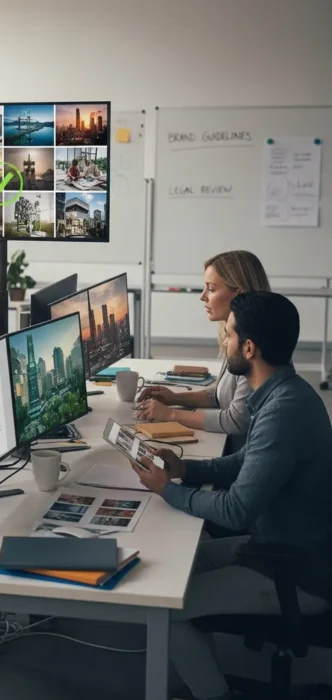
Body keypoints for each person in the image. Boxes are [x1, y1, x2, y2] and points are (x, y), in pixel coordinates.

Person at [132, 291, 332, 700]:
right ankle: (204, 678)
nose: (224, 341)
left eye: (230, 334)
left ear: (249, 347)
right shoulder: (283, 391)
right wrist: (187, 469)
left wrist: (167, 490)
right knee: (173, 568)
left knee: (164, 605)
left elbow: (237, 509)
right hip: (281, 545)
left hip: (296, 572)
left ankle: (214, 695)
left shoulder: (282, 411)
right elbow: (245, 461)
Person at [135, 251, 270, 452]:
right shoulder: (233, 333)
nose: (202, 296)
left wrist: (171, 415)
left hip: (239, 456)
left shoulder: (251, 347)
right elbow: (220, 396)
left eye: (212, 289)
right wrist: (173, 398)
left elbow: (236, 420)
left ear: (239, 294)